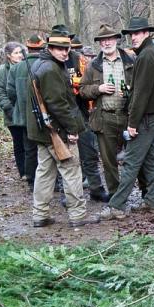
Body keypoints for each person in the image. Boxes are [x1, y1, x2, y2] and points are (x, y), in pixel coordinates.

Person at [24, 34, 98, 228]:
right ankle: (78, 215)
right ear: (49, 48)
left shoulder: (41, 65)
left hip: (44, 131)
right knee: (71, 170)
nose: (64, 52)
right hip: (56, 131)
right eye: (59, 48)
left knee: (45, 172)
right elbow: (58, 104)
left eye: (66, 49)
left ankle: (40, 215)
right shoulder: (50, 69)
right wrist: (71, 129)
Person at [98, 17, 154, 219]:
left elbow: (141, 95)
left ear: (147, 33)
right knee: (150, 160)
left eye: (137, 33)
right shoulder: (148, 53)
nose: (133, 37)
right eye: (131, 34)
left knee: (131, 161)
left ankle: (116, 205)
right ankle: (152, 201)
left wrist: (132, 124)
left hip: (145, 117)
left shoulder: (146, 56)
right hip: (153, 115)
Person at [80, 24, 137, 218]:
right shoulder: (93, 65)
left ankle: (144, 196)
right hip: (104, 117)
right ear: (99, 43)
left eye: (110, 39)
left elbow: (141, 85)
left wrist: (130, 91)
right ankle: (116, 199)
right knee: (109, 161)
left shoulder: (131, 60)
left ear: (116, 40)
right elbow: (83, 91)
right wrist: (99, 89)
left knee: (135, 159)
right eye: (103, 40)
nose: (106, 42)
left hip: (129, 116)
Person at [51, 24, 108, 202]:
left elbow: (88, 86)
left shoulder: (80, 61)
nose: (63, 50)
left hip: (82, 114)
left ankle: (96, 188)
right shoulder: (47, 64)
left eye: (66, 43)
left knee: (89, 153)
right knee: (63, 157)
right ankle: (66, 194)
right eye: (59, 45)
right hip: (58, 117)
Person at [7, 35, 45, 190]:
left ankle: (31, 180)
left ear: (27, 49)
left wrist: (21, 105)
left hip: (23, 116)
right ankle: (52, 181)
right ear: (42, 47)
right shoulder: (46, 64)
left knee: (29, 149)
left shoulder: (16, 68)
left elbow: (10, 91)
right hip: (45, 115)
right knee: (47, 148)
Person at [0, 42, 28, 181]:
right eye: (16, 53)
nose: (19, 55)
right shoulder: (2, 71)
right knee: (19, 143)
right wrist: (9, 109)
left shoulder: (27, 66)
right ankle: (23, 172)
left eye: (21, 52)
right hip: (12, 113)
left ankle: (33, 171)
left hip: (28, 111)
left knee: (30, 142)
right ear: (8, 56)